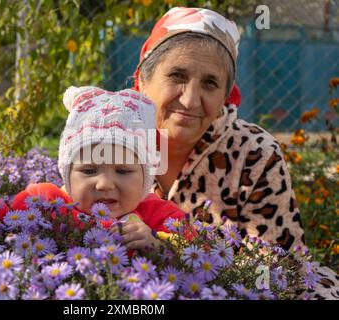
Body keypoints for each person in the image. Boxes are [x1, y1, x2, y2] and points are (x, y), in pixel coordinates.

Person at [132, 7, 338, 298]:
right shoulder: (112, 141)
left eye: (210, 83)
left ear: (225, 95)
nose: (190, 100)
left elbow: (280, 270)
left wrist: (172, 254)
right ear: (142, 79)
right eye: (177, 75)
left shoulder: (254, 154)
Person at [0, 86, 194, 251]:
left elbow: (202, 254)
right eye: (88, 170)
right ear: (67, 173)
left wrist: (159, 247)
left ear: (145, 177)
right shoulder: (42, 201)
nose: (105, 183)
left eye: (123, 171)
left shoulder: (159, 216)